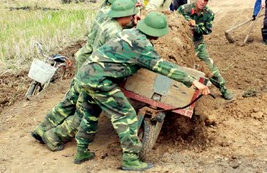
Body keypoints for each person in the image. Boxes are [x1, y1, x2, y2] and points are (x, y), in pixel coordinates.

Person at [73, 11, 210, 171]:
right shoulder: (142, 47)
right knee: (126, 115)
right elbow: (165, 68)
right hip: (100, 81)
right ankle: (130, 160)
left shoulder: (130, 32)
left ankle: (81, 151)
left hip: (85, 75)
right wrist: (193, 81)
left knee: (90, 113)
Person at [31, 0, 140, 151]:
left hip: (86, 68)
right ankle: (53, 137)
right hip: (95, 75)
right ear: (125, 15)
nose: (131, 19)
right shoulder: (115, 32)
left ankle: (42, 129)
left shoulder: (107, 22)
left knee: (67, 104)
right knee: (84, 113)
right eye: (130, 16)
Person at [177, 0, 234, 100]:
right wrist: (186, 23)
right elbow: (175, 22)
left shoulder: (209, 14)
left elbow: (207, 30)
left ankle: (223, 89)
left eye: (206, 0)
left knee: (209, 68)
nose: (203, 2)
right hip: (182, 43)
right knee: (178, 66)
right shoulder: (183, 9)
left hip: (197, 44)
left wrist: (195, 27)